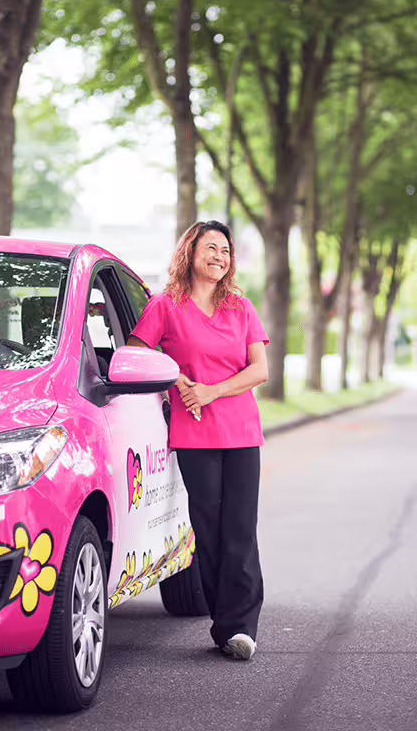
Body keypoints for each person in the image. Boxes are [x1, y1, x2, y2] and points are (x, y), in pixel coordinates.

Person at [128, 220, 269, 660]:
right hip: (193, 435)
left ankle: (241, 627)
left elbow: (259, 369)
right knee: (208, 529)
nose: (219, 257)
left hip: (241, 431)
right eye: (211, 248)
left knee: (240, 529)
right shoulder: (165, 305)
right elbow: (137, 353)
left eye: (225, 250)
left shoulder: (240, 307)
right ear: (190, 252)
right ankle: (224, 625)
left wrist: (212, 391)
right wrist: (177, 378)